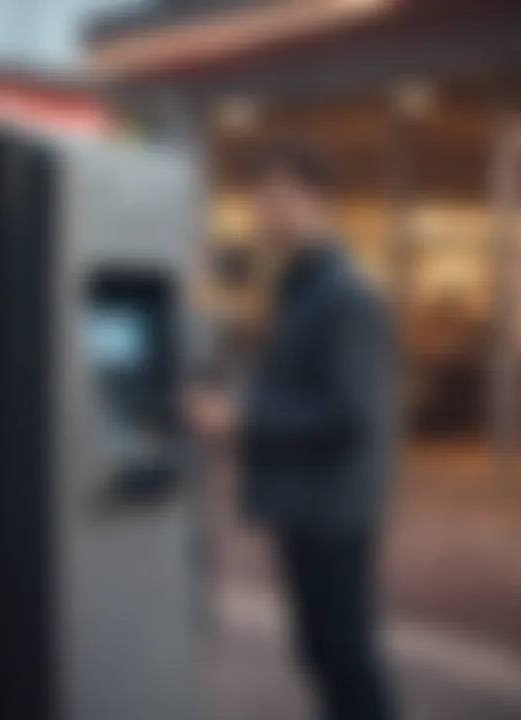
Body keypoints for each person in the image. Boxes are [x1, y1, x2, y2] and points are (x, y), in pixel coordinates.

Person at [189, 142, 395, 720]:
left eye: (280, 198)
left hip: (331, 510)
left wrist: (244, 419)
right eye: (261, 198)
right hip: (309, 505)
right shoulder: (297, 286)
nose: (265, 211)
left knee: (344, 658)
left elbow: (350, 414)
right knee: (321, 654)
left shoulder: (345, 294)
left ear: (320, 202)